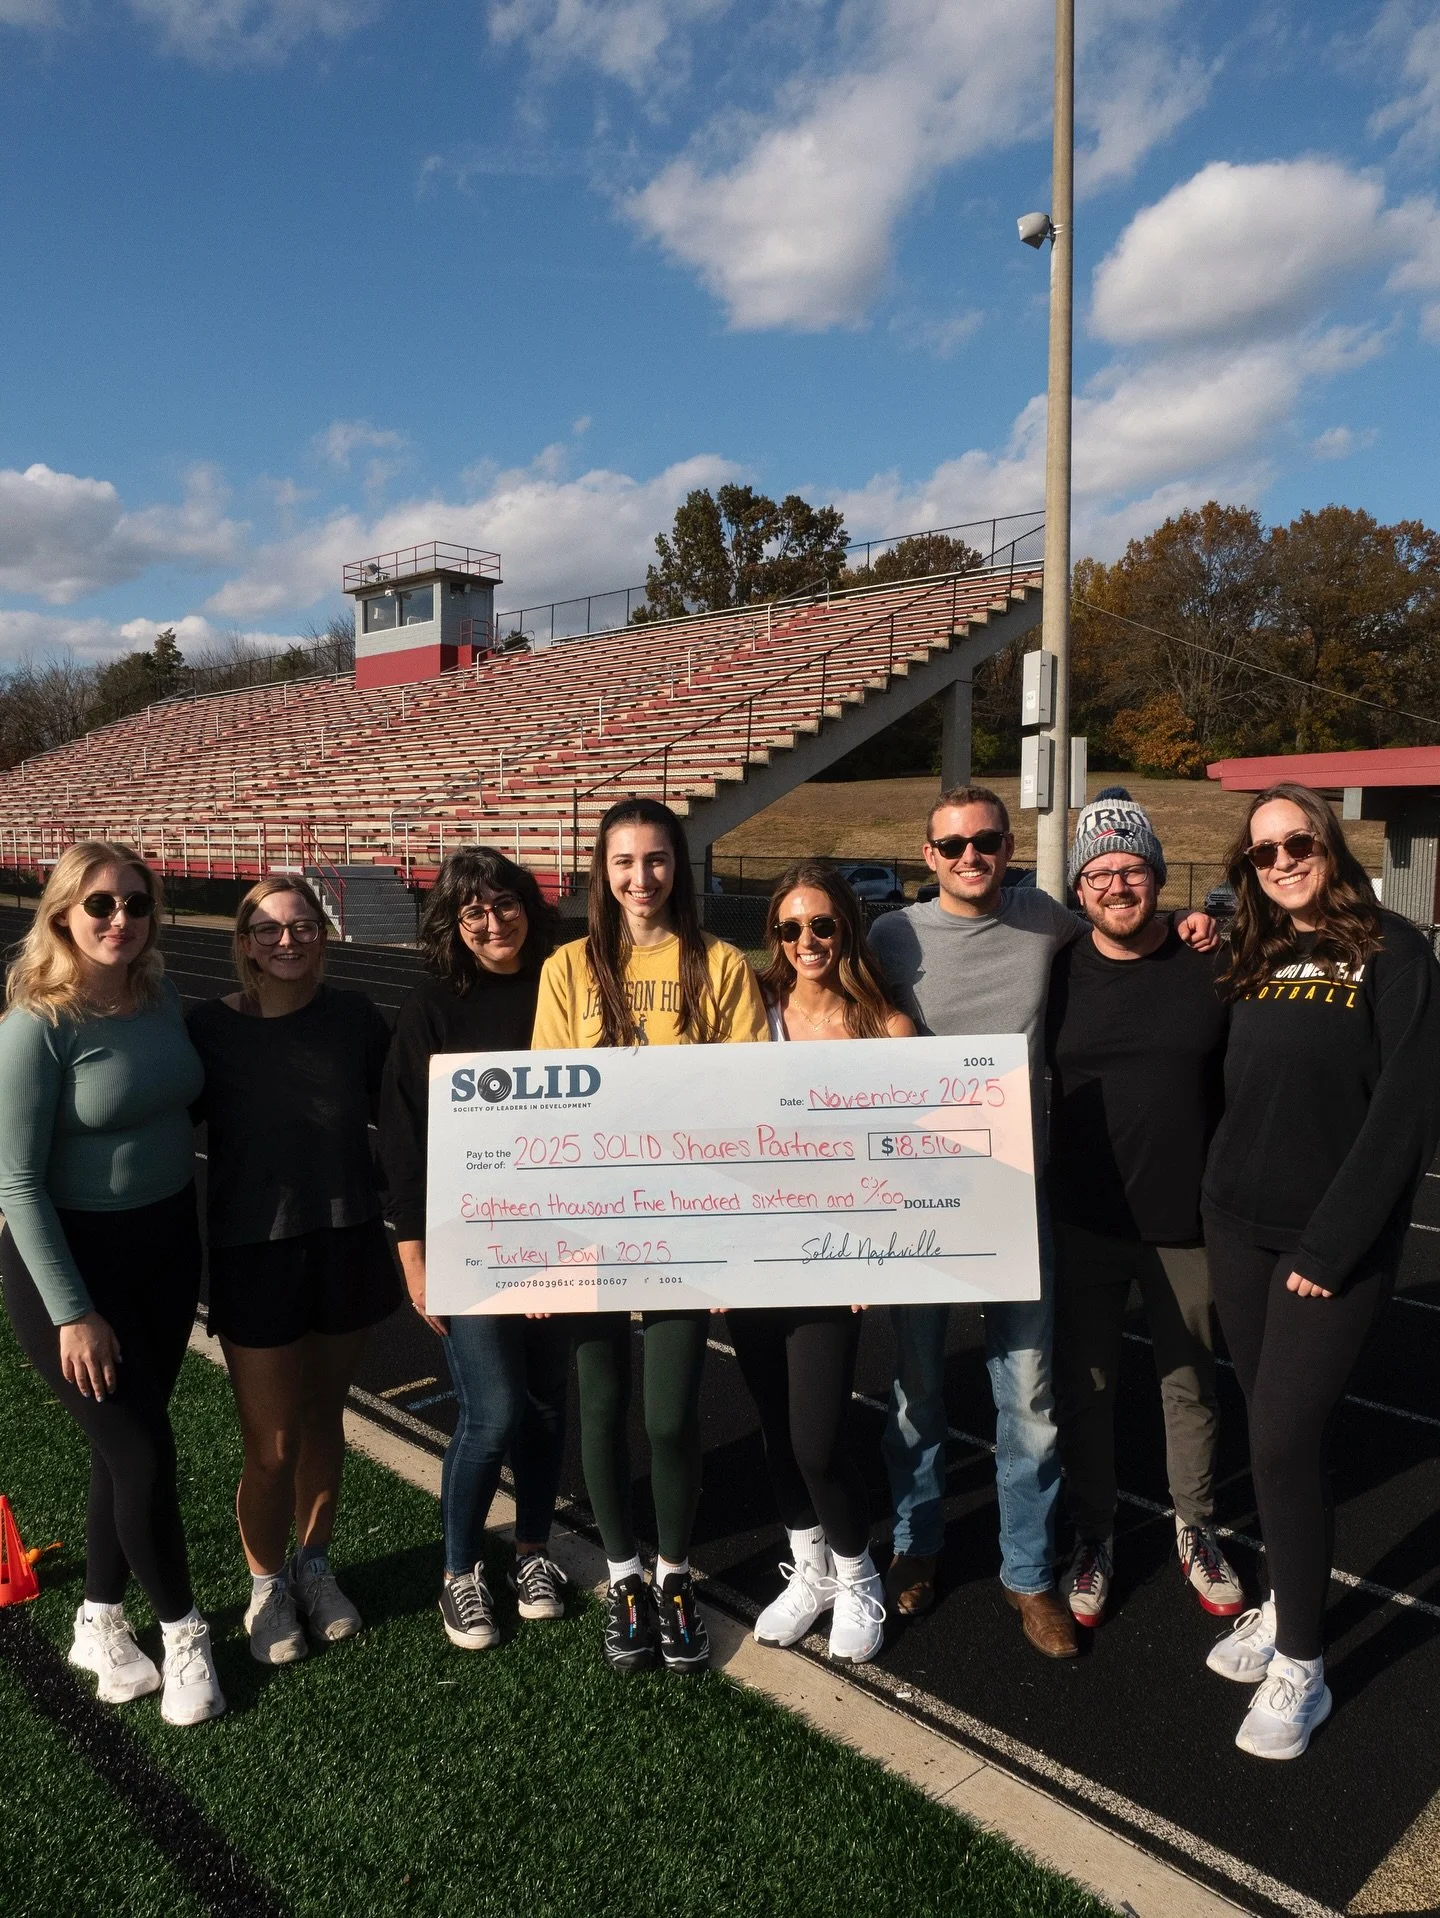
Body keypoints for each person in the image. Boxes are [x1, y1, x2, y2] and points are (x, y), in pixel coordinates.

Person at [868, 785, 1216, 1660]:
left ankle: (1027, 1575)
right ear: (927, 855)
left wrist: (1190, 926)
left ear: (1010, 846)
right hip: (919, 1200)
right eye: (952, 846)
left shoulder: (1046, 924)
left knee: (1026, 1399)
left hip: (1019, 1198)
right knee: (916, 1390)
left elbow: (1126, 927)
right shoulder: (889, 937)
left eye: (986, 841)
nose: (970, 857)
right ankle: (920, 1542)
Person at [1201, 783, 1440, 1760]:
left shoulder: (1394, 949)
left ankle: (1304, 1660)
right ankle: (1281, 1600)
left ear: (1330, 844)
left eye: (1298, 840)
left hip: (1322, 1244)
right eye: (1264, 851)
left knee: (1287, 1437)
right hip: (1235, 1228)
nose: (1284, 858)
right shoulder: (1252, 950)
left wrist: (1331, 1246)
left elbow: (1406, 1114)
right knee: (1270, 1438)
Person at [531, 797, 768, 1674]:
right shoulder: (566, 968)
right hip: (596, 1223)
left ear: (681, 866)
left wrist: (728, 1236)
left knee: (670, 1416)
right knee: (601, 1408)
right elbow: (547, 1104)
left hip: (686, 1227)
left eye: (658, 859)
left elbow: (747, 1104)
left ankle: (675, 1574)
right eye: (625, 862)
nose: (642, 878)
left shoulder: (721, 963)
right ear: (603, 871)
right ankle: (624, 1575)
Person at [0, 843, 224, 1724]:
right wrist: (74, 1313)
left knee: (122, 1449)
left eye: (137, 904)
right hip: (73, 1267)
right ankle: (185, 1634)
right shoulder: (36, 1023)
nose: (120, 920)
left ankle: (97, 1619)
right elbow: (14, 1184)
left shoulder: (159, 994)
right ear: (62, 913)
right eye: (100, 904)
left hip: (168, 1249)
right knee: (142, 1453)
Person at [188, 875, 398, 1666]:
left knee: (323, 1421)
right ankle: (266, 1585)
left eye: (303, 925)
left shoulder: (353, 1017)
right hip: (253, 1254)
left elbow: (408, 1108)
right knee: (270, 1443)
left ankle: (315, 1564)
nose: (287, 940)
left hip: (345, 1243)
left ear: (325, 934)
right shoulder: (208, 1029)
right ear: (243, 942)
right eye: (268, 928)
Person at [1046, 790, 1244, 1626]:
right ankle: (1096, 1533)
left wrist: (1220, 925)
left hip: (1186, 1222)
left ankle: (1195, 1527)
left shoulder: (1211, 962)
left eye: (1132, 869)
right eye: (1100, 873)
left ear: (1157, 876)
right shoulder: (1053, 970)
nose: (1118, 885)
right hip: (1085, 1219)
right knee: (1085, 1388)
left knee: (1189, 1386)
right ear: (1079, 888)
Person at [379, 846, 572, 1652]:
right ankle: (460, 1572)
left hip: (565, 1233)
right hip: (472, 1241)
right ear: (452, 926)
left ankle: (532, 1554)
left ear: (530, 903)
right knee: (491, 1413)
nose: (493, 922)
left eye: (505, 903)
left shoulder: (569, 985)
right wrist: (415, 1258)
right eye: (473, 912)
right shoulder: (433, 1005)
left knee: (547, 1408)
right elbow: (404, 1135)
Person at [729, 863, 915, 1665]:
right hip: (752, 1253)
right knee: (775, 1429)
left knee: (817, 1437)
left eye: (822, 926)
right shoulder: (750, 1017)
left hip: (834, 1260)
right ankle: (810, 1570)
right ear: (773, 937)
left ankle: (858, 1572)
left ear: (848, 928)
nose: (807, 941)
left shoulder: (886, 1027)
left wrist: (876, 1256)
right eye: (790, 928)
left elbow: (911, 1155)